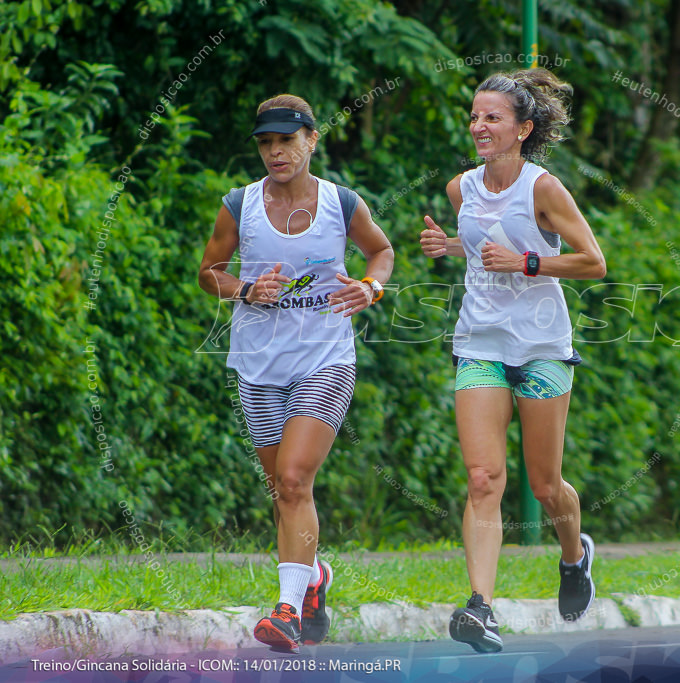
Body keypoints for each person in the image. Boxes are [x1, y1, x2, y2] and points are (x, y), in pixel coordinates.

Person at [419, 68, 606, 653]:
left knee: (547, 486)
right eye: (475, 116)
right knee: (483, 478)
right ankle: (481, 607)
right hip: (481, 341)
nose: (479, 126)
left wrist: (525, 263)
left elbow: (592, 261)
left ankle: (575, 557)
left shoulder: (543, 188)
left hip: (543, 345)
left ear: (523, 129)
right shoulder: (460, 189)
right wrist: (446, 247)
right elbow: (482, 249)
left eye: (492, 118)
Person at [198, 94, 394, 652]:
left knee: (293, 480)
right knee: (281, 491)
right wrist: (245, 289)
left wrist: (370, 286)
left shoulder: (341, 202)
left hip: (326, 359)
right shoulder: (240, 205)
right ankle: (313, 578)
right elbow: (208, 271)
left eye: (286, 140)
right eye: (265, 143)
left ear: (311, 140)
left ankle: (284, 611)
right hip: (258, 364)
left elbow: (382, 252)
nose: (275, 152)